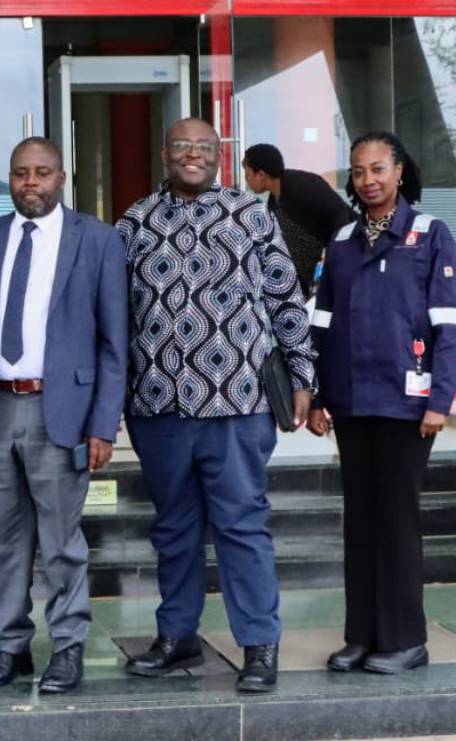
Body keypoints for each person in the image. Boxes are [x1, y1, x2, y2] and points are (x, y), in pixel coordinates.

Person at [116, 118, 316, 694]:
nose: (194, 155)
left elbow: (285, 298)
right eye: (183, 146)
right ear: (165, 153)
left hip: (238, 401)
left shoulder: (250, 214)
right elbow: (115, 314)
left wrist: (303, 374)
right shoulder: (133, 223)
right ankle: (177, 637)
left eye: (205, 147)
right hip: (158, 405)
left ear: (219, 155)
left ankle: (258, 645)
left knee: (241, 524)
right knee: (174, 528)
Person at [0, 137, 128, 694]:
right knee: (1, 540)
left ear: (63, 178)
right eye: (21, 173)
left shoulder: (96, 241)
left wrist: (103, 424)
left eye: (42, 173)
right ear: (10, 178)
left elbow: (112, 343)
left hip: (64, 410)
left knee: (60, 540)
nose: (31, 183)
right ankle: (10, 646)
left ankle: (68, 646)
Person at [307, 131, 456, 674]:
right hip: (351, 401)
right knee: (361, 521)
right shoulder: (343, 239)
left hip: (407, 405)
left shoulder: (430, 234)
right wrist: (319, 394)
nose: (367, 180)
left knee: (396, 520)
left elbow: (448, 324)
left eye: (377, 169)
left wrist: (441, 399)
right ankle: (362, 636)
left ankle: (406, 640)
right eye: (358, 171)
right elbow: (321, 324)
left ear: (398, 171)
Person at [243, 143, 354, 298]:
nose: (246, 180)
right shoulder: (273, 202)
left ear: (261, 174)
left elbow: (339, 212)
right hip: (312, 281)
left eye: (247, 174)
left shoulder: (303, 184)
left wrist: (335, 255)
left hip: (341, 267)